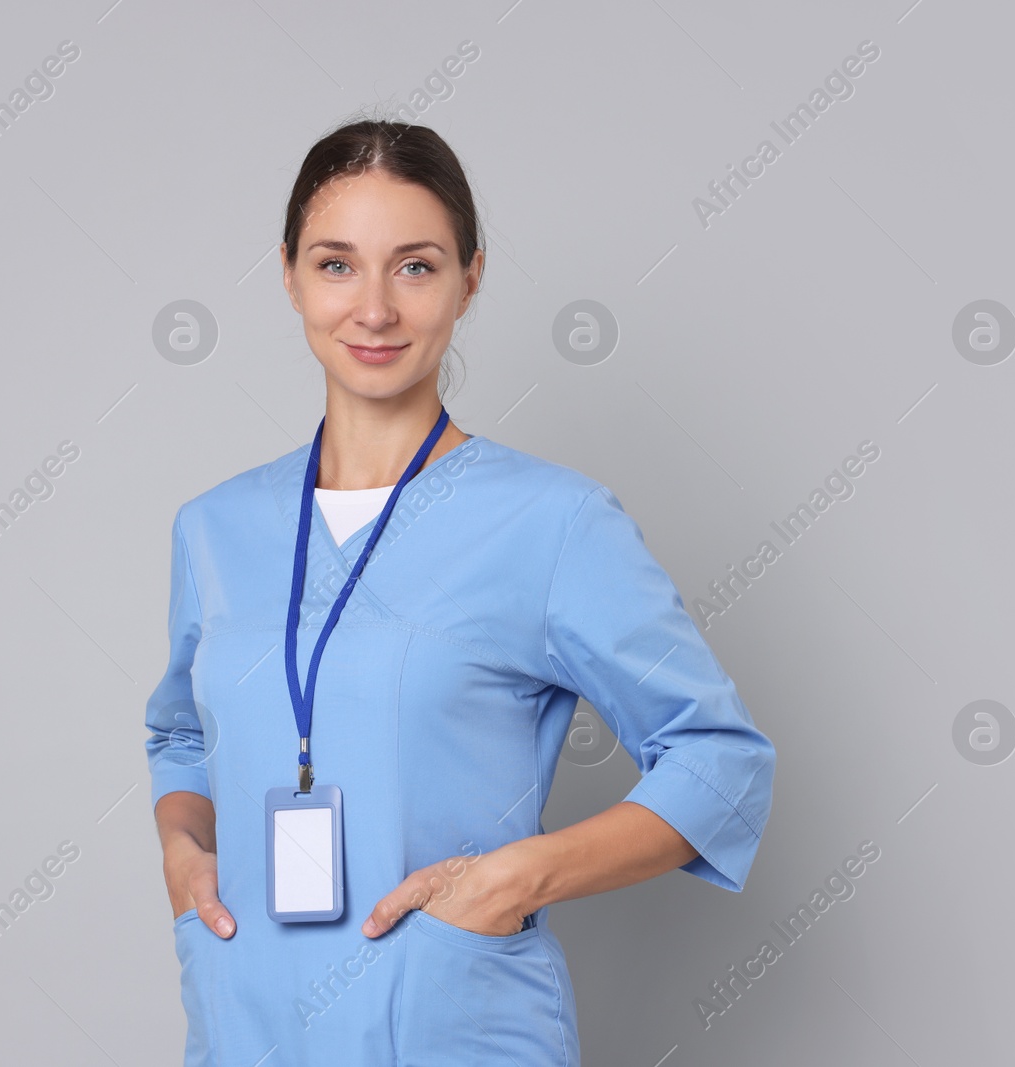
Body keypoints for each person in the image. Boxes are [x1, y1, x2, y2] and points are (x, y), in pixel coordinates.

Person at [144, 117, 776, 1067]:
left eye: (415, 266)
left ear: (470, 278)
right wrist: (184, 851)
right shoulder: (215, 529)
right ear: (287, 275)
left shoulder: (552, 523)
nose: (374, 309)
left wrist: (513, 877)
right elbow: (182, 735)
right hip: (249, 1027)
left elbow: (719, 760)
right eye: (336, 264)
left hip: (450, 1025)